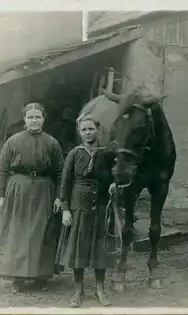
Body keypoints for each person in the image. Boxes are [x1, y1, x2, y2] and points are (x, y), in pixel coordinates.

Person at [0, 102, 64, 293]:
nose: (34, 120)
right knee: (18, 233)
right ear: (24, 119)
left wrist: (59, 197)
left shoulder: (52, 142)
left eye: (38, 117)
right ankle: (18, 279)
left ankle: (41, 277)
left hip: (44, 191)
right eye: (30, 117)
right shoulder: (13, 141)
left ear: (43, 119)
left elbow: (60, 173)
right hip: (18, 190)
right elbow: (1, 170)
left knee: (42, 233)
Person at [56, 114, 116, 308]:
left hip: (101, 205)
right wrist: (65, 209)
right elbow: (65, 182)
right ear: (79, 132)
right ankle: (78, 289)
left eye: (91, 129)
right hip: (78, 206)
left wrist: (115, 184)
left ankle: (100, 289)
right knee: (78, 248)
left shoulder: (107, 153)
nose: (87, 133)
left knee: (100, 248)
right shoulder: (74, 153)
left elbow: (115, 176)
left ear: (97, 130)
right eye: (84, 130)